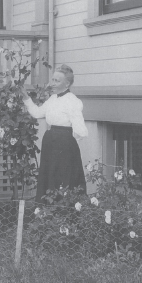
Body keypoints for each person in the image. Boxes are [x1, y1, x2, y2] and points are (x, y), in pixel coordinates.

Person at [21, 64, 88, 204]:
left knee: (63, 178)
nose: (52, 83)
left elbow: (80, 130)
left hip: (64, 144)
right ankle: (47, 214)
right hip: (50, 142)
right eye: (52, 79)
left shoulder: (73, 101)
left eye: (57, 81)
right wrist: (26, 98)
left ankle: (64, 216)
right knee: (49, 176)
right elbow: (37, 113)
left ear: (67, 83)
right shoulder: (52, 99)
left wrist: (68, 146)